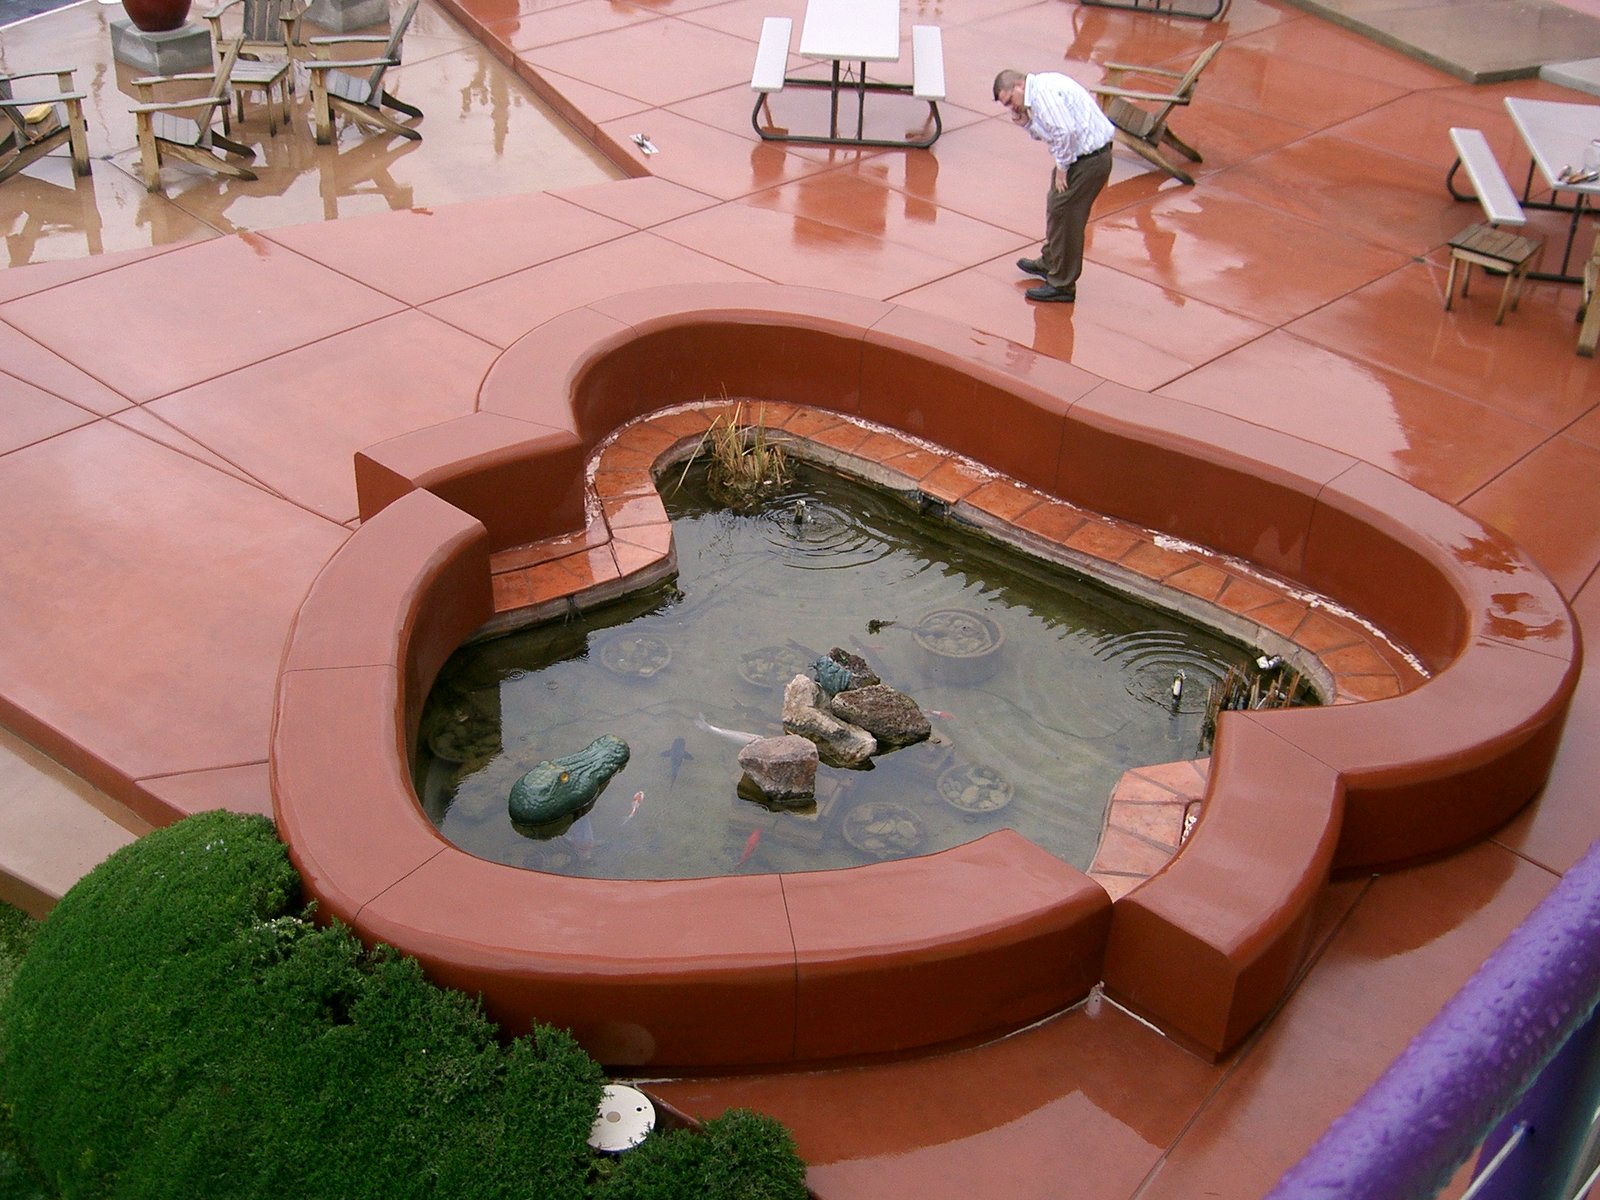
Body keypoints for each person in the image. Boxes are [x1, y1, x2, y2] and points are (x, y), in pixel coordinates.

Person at [993, 68, 1115, 303]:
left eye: (1010, 101)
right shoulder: (1038, 92)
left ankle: (1062, 284)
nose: (1011, 107)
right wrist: (1027, 123)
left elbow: (1065, 133)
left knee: (1068, 215)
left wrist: (1062, 167)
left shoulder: (1043, 96)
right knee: (1056, 206)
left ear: (1019, 85)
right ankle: (1051, 262)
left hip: (1090, 160)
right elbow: (1052, 133)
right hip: (1080, 157)